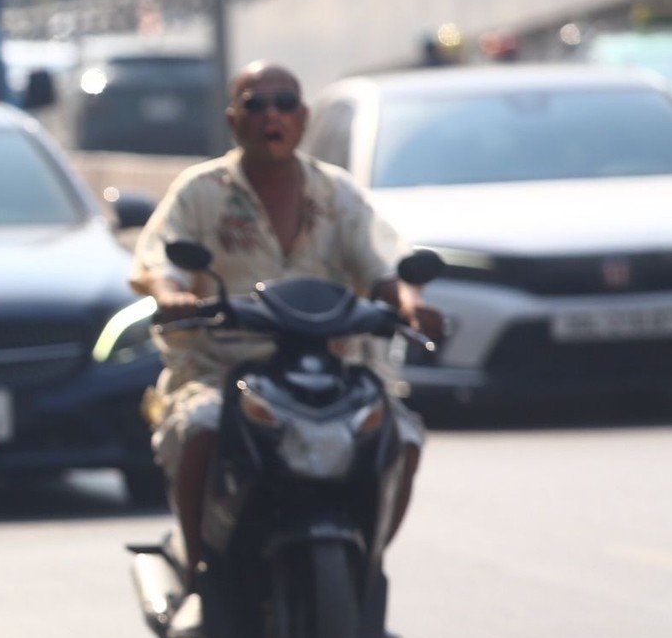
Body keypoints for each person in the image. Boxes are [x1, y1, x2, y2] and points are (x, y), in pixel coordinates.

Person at [129, 61, 442, 591]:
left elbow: (384, 265)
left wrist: (410, 305)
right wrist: (174, 295)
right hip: (224, 365)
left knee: (402, 437)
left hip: (334, 367)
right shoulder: (201, 191)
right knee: (202, 428)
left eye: (283, 103)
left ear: (302, 118)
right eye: (255, 104)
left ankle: (366, 566)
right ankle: (198, 566)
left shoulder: (336, 193)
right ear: (235, 120)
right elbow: (161, 263)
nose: (270, 114)